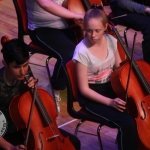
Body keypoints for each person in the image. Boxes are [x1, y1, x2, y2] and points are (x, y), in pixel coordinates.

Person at [72, 8, 138, 150]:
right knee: (127, 122)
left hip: (111, 87)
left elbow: (119, 70)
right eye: (89, 30)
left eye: (97, 30)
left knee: (136, 110)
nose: (93, 35)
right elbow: (83, 89)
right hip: (92, 96)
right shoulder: (81, 51)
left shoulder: (111, 41)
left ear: (106, 27)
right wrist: (110, 102)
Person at [0, 36, 81, 150]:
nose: (23, 71)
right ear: (5, 63)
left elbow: (34, 103)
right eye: (16, 67)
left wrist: (34, 89)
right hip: (6, 134)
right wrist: (10, 147)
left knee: (74, 143)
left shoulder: (25, 73)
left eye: (25, 65)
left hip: (30, 128)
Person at [25, 0, 84, 112]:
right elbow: (46, 3)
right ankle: (54, 89)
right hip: (43, 28)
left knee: (97, 37)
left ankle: (90, 85)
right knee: (69, 53)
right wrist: (77, 15)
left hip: (68, 24)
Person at [109, 0, 150, 64]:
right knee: (149, 26)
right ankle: (147, 65)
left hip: (141, 4)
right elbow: (123, 3)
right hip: (123, 8)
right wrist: (146, 9)